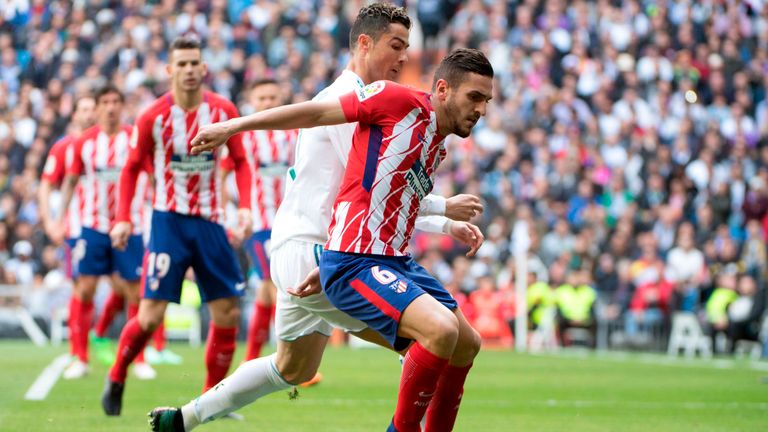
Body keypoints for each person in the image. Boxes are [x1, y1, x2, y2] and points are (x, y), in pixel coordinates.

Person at [149, 5, 484, 432]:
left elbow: (385, 191)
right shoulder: (352, 102)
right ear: (365, 43)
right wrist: (441, 213)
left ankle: (182, 419)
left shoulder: (383, 107)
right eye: (395, 46)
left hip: (312, 247)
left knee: (292, 368)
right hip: (320, 249)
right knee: (436, 337)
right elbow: (374, 188)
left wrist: (443, 219)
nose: (403, 58)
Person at [102, 36, 254, 416]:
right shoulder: (153, 116)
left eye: (194, 64)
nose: (188, 70)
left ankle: (210, 400)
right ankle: (118, 374)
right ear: (170, 70)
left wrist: (247, 208)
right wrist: (122, 217)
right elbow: (132, 168)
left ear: (204, 69)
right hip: (168, 221)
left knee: (228, 314)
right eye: (181, 64)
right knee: (150, 315)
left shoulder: (222, 110)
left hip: (211, 223)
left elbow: (241, 161)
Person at [56, 85, 155, 380]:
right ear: (97, 107)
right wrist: (59, 219)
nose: (110, 107)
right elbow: (71, 182)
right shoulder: (83, 142)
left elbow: (151, 177)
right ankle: (81, 358)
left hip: (130, 225)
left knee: (135, 293)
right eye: (105, 102)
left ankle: (138, 359)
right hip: (93, 226)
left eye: (115, 101)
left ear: (123, 106)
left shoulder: (134, 139)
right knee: (84, 288)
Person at [220, 79, 297, 363]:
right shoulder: (245, 137)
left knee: (268, 292)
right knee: (273, 284)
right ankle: (287, 359)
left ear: (281, 98)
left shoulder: (294, 134)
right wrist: (240, 207)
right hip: (262, 223)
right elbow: (222, 176)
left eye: (272, 97)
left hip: (291, 221)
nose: (267, 102)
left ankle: (252, 357)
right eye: (261, 97)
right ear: (252, 101)